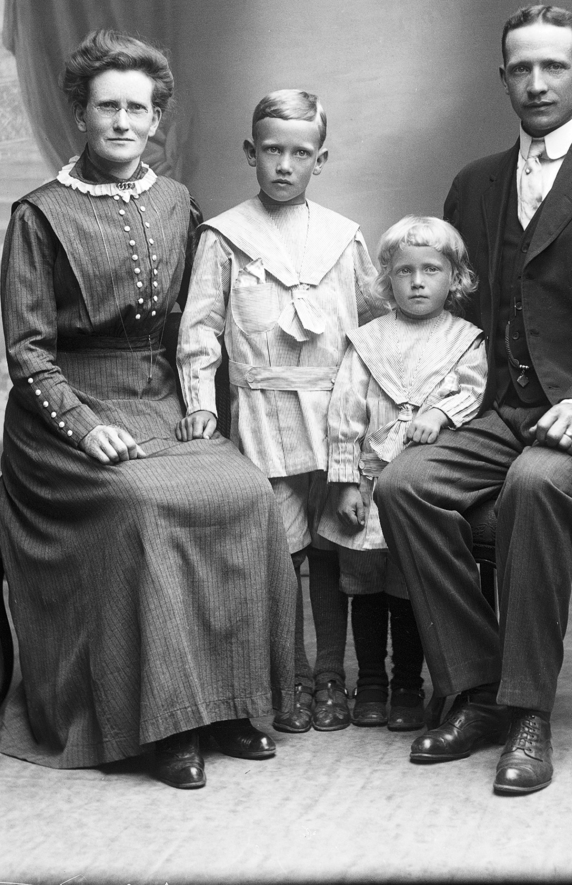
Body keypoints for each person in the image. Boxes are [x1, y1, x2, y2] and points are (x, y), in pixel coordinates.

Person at [375, 4, 572, 794]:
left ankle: (528, 713)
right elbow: (459, 317)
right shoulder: (473, 184)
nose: (537, 83)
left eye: (553, 66)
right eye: (522, 68)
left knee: (536, 482)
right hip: (501, 411)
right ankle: (478, 689)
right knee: (404, 485)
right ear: (503, 78)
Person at [0, 30, 296, 791]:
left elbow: (198, 320)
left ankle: (231, 706)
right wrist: (84, 426)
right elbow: (27, 353)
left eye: (138, 108)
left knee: (247, 493)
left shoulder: (177, 203)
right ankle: (169, 724)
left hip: (160, 399)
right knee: (143, 505)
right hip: (63, 419)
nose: (123, 122)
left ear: (157, 119)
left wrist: (201, 402)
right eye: (107, 108)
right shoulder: (39, 214)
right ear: (81, 116)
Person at [176, 89, 381, 734]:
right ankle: (288, 672)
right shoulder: (225, 236)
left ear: (321, 158)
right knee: (280, 550)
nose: (284, 165)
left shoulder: (343, 237)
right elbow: (199, 329)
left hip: (338, 416)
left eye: (299, 152)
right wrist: (201, 405)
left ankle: (331, 674)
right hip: (263, 413)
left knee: (334, 546)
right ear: (250, 153)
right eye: (271, 150)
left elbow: (377, 327)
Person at [318, 216, 487, 731]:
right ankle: (371, 683)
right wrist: (346, 482)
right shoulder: (368, 340)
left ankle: (408, 686)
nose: (417, 282)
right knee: (365, 582)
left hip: (420, 489)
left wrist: (440, 413)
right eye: (403, 271)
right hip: (369, 483)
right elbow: (344, 414)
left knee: (410, 584)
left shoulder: (465, 339)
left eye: (431, 270)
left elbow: (474, 390)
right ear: (386, 278)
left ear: (454, 278)